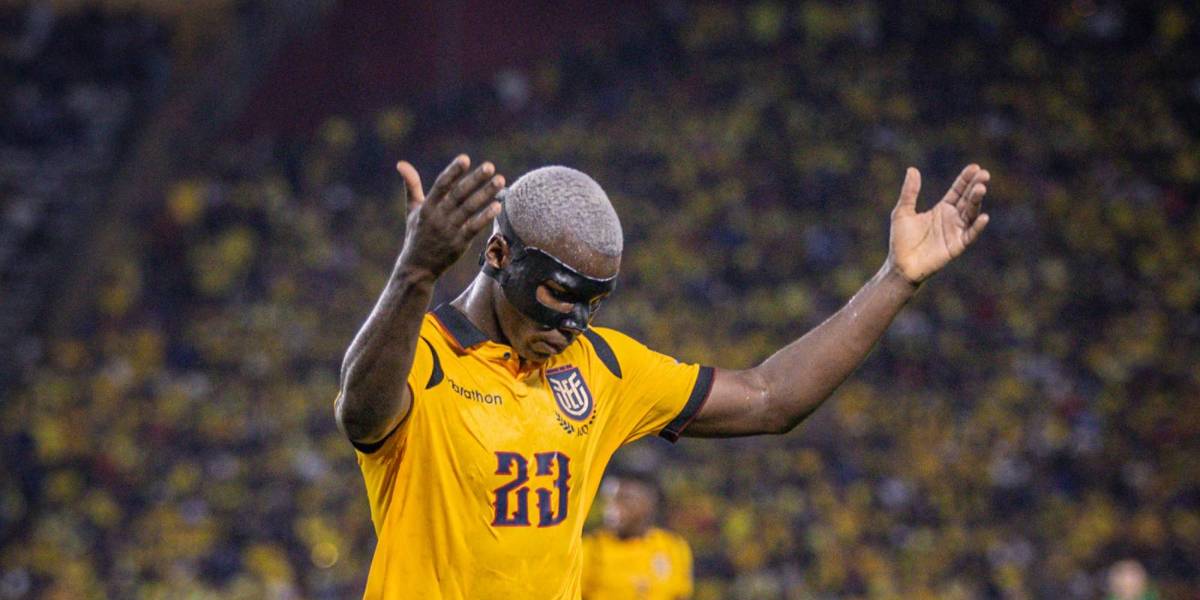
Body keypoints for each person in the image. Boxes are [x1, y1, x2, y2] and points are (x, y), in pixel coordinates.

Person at [335, 155, 991, 599]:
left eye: (594, 303)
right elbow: (361, 412)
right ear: (500, 254)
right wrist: (416, 271)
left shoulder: (601, 368)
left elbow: (770, 398)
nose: (574, 323)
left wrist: (896, 280)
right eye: (560, 294)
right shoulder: (421, 353)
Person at [582, 472, 692, 600]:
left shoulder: (673, 546)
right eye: (610, 501)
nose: (612, 510)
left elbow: (681, 595)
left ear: (648, 504)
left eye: (624, 500)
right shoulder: (590, 548)